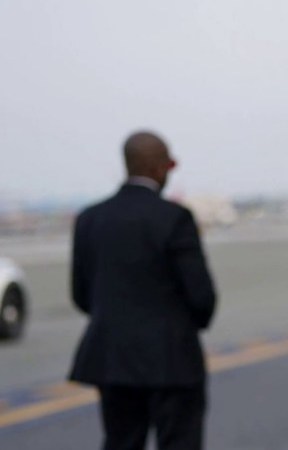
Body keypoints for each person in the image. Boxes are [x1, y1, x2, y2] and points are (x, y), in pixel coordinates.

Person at [69, 131, 217, 450]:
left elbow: (81, 295)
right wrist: (187, 326)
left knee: (121, 441)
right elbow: (201, 296)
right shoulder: (175, 218)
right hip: (172, 358)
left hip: (113, 358)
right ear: (158, 167)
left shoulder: (89, 218)